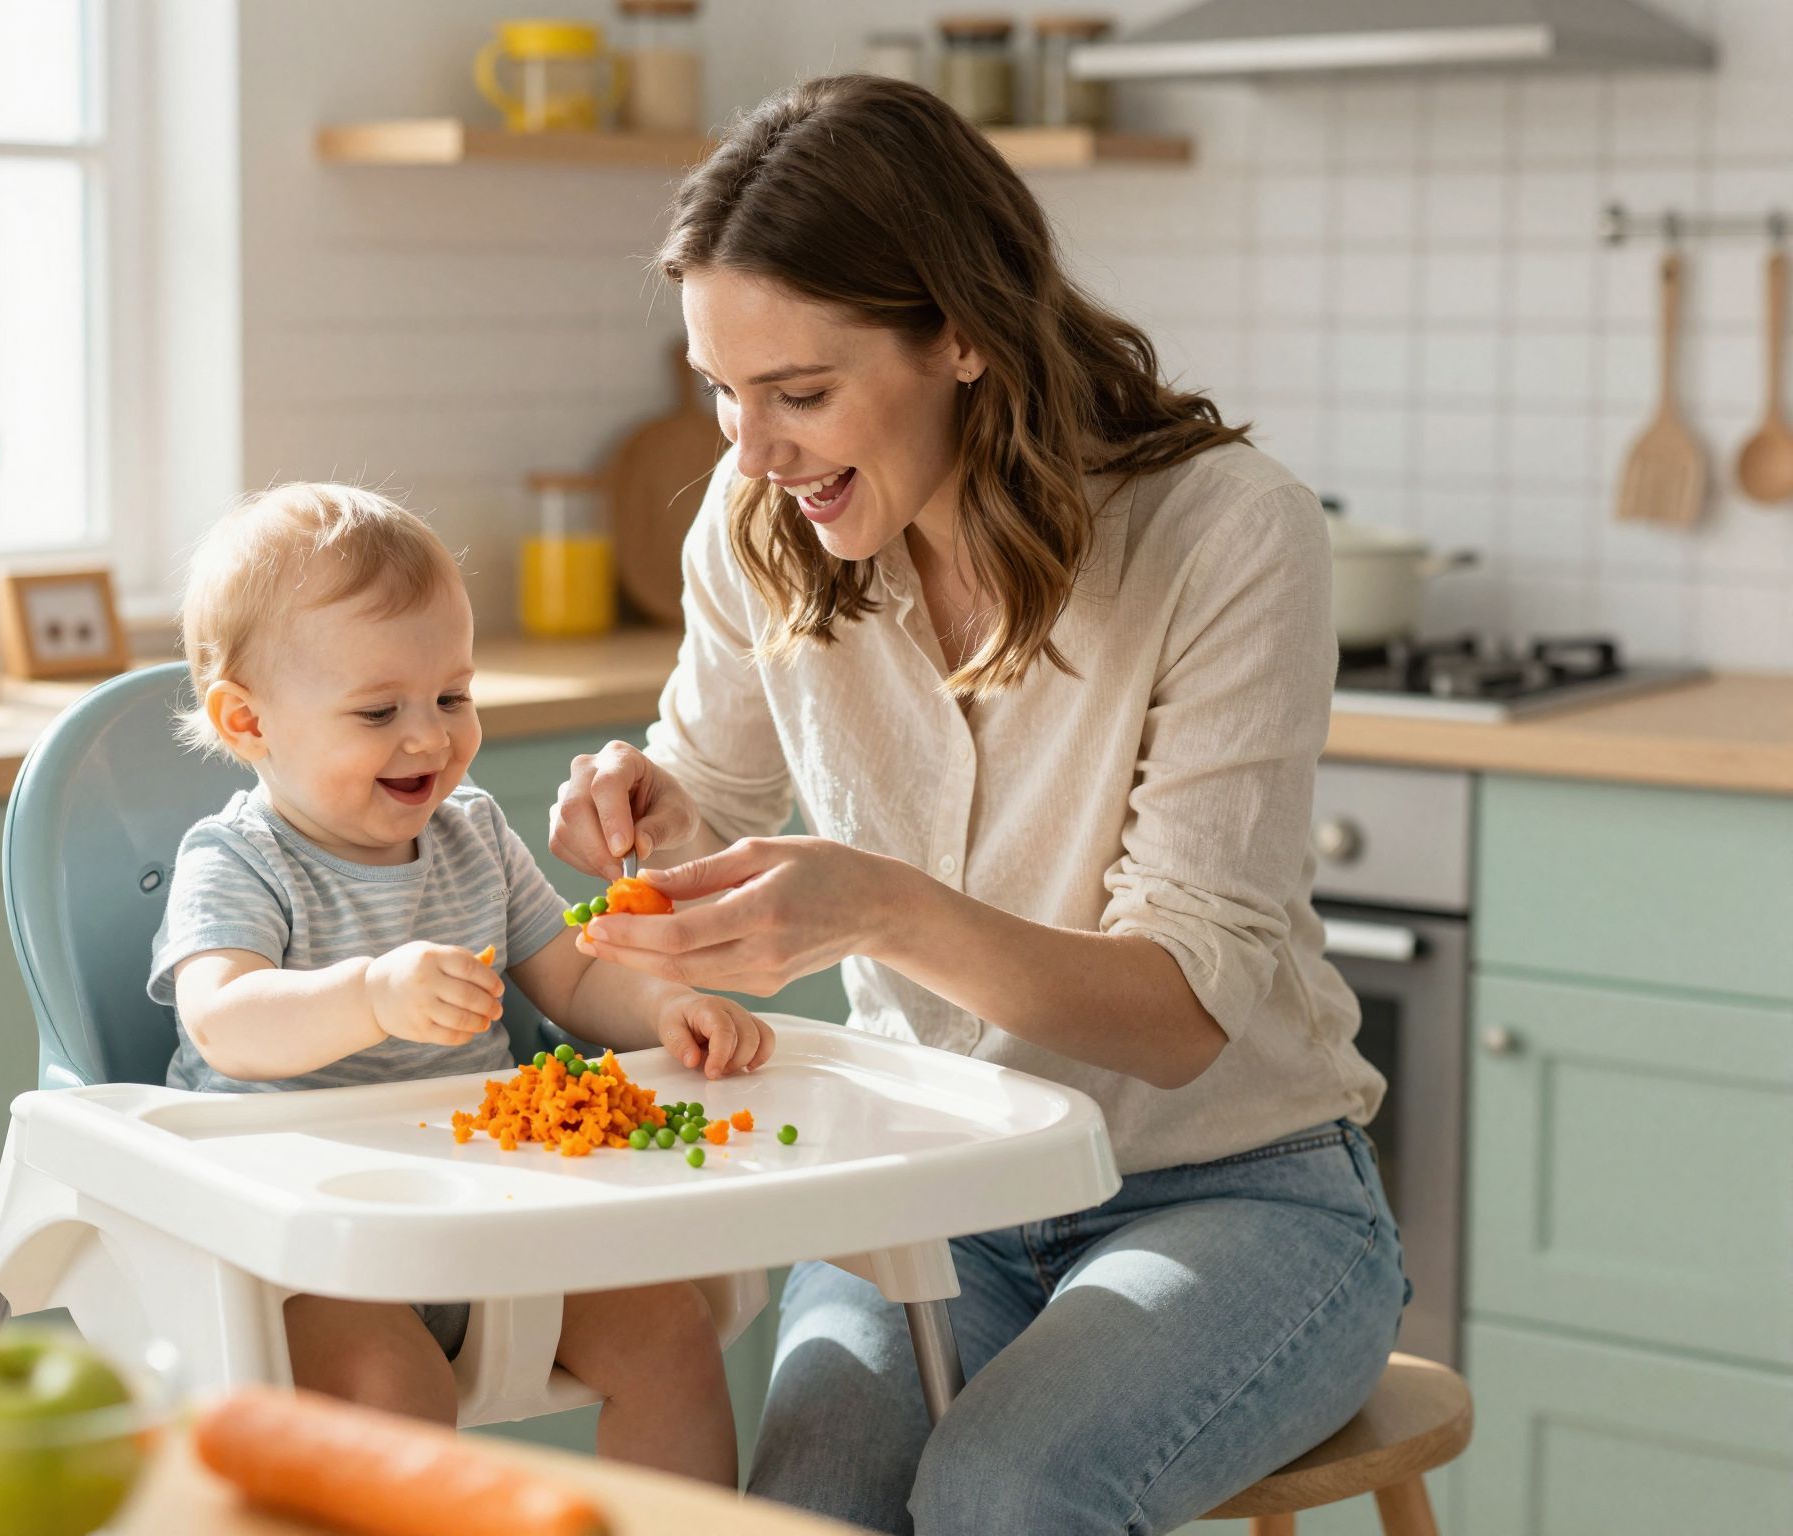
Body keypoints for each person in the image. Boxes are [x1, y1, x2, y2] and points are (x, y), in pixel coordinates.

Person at [547, 77, 1407, 1533]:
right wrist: (647, 808)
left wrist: (878, 905)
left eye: (800, 394)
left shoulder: (1224, 533)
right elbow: (713, 787)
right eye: (720, 390)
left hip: (1234, 1194)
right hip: (930, 1185)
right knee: (814, 1507)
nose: (751, 450)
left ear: (962, 334)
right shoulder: (759, 527)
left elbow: (1182, 1015)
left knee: (1008, 1490)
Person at [146, 482, 774, 1485]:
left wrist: (669, 1008)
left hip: (491, 1208)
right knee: (397, 1399)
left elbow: (569, 976)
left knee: (670, 1331)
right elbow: (223, 1022)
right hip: (308, 1251)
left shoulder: (472, 832)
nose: (430, 738)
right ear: (247, 721)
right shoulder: (236, 861)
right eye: (378, 710)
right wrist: (368, 998)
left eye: (452, 696)